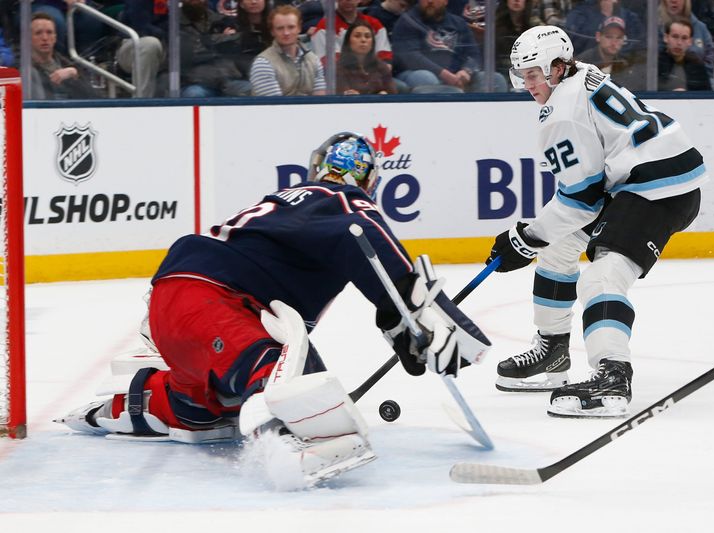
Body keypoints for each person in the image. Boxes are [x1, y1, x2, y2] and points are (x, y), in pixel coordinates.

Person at [56, 132, 491, 489]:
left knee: (204, 418)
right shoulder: (339, 198)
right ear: (369, 180)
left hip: (186, 305)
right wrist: (416, 308)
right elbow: (359, 231)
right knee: (276, 371)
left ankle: (134, 399)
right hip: (209, 301)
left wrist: (395, 318)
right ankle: (292, 436)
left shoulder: (293, 203)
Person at [488, 26, 707, 418]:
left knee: (601, 276)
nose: (526, 84)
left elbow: (581, 201)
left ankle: (612, 374)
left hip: (656, 188)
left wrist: (526, 238)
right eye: (520, 75)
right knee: (559, 247)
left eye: (533, 74)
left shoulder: (560, 116)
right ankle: (553, 350)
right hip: (646, 174)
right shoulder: (580, 72)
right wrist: (538, 238)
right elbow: (586, 194)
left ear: (557, 67)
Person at [392, 0, 508, 93]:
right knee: (426, 78)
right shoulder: (407, 21)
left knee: (495, 79)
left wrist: (466, 71)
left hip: (456, 76)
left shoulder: (458, 23)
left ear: (446, 1)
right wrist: (444, 74)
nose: (430, 1)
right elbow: (410, 57)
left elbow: (473, 53)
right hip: (415, 73)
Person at [179, 0, 251, 97]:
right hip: (196, 81)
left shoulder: (221, 20)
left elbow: (237, 43)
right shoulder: (175, 24)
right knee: (194, 94)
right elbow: (191, 51)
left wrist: (212, 42)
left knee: (254, 90)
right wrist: (222, 38)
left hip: (227, 79)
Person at [249, 5, 326, 96]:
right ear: (272, 32)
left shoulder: (314, 60)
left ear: (299, 28)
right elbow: (274, 106)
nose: (286, 33)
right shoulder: (263, 63)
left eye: (291, 27)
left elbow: (320, 102)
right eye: (280, 28)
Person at [29, 12, 99, 99]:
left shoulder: (67, 64)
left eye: (49, 32)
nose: (45, 38)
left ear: (55, 38)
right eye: (38, 33)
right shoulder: (23, 69)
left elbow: (93, 98)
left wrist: (74, 75)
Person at [309, 0, 393, 68]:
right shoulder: (325, 26)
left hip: (374, 75)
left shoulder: (375, 24)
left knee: (400, 87)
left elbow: (385, 56)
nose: (348, 1)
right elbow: (329, 63)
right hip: (342, 80)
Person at [576, 15, 646, 91]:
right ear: (598, 36)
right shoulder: (582, 63)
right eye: (609, 37)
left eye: (619, 38)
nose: (614, 42)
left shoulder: (624, 65)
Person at [658, 0, 714, 79]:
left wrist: (698, 72)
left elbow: (711, 57)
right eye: (674, 36)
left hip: (697, 80)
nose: (673, 1)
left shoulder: (700, 27)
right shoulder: (654, 27)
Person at [336, 19, 398, 94]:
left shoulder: (381, 66)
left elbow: (393, 94)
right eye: (357, 36)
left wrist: (384, 95)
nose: (363, 40)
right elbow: (340, 95)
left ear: (372, 43)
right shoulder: (339, 67)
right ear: (348, 41)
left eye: (367, 36)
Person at [565, 0, 645, 56]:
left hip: (623, 69)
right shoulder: (580, 14)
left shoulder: (630, 17)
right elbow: (575, 44)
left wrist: (615, 14)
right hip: (589, 65)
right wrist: (604, 14)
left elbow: (640, 46)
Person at [658, 18, 712, 90]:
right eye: (675, 36)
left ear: (690, 41)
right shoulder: (654, 64)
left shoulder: (697, 67)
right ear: (666, 38)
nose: (679, 43)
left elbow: (707, 98)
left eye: (684, 38)